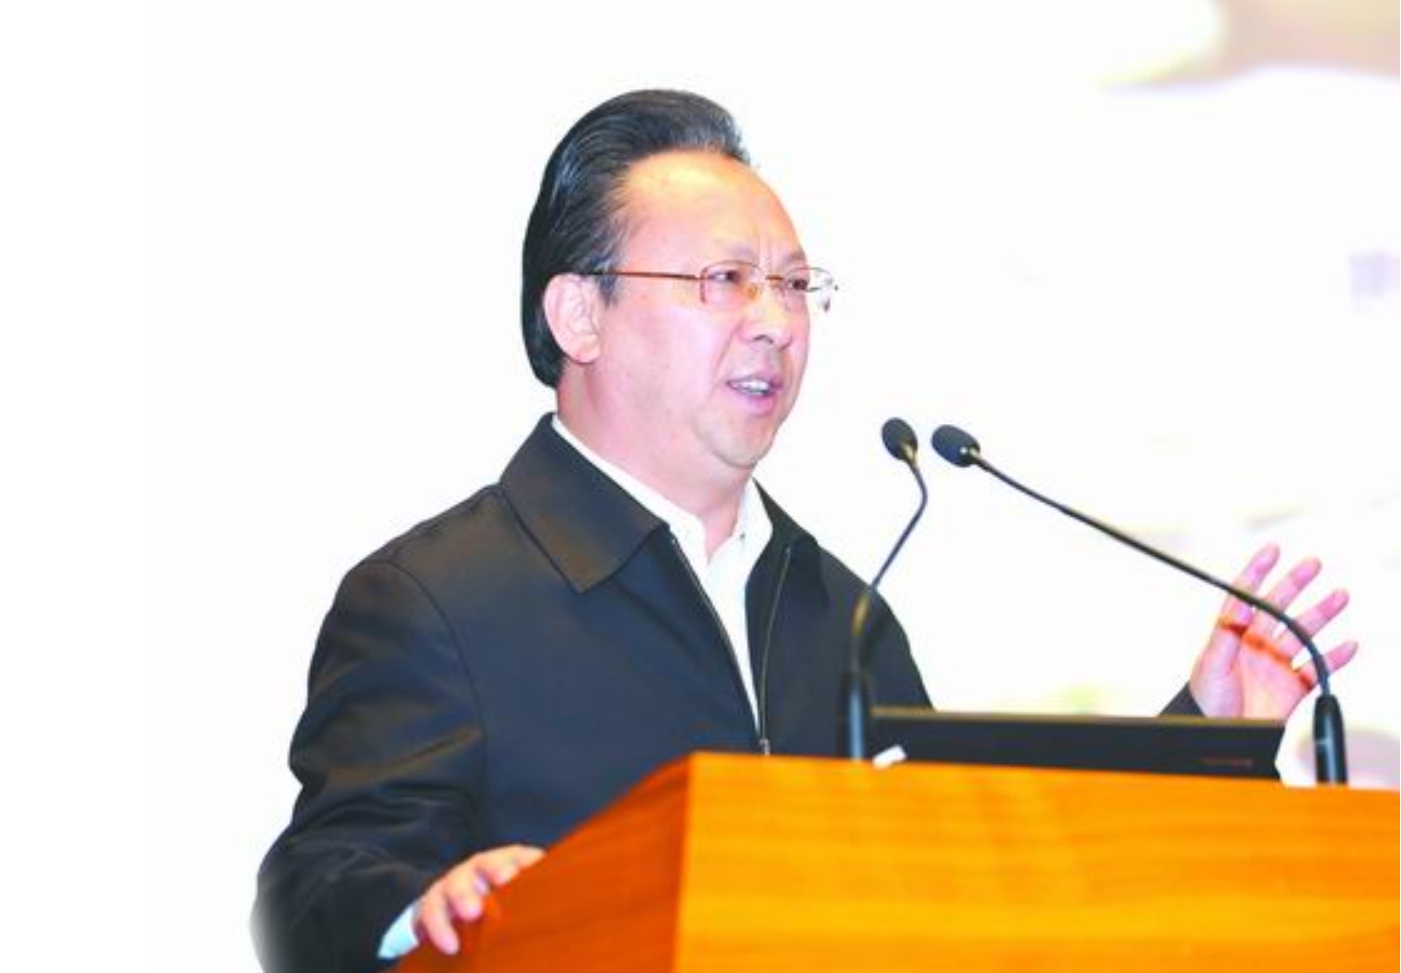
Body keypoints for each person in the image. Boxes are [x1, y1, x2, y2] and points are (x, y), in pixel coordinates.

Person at [252, 89, 1358, 973]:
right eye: (725, 280)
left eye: (792, 284)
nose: (775, 321)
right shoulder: (439, 597)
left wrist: (1207, 739)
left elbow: (987, 882)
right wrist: (423, 910)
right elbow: (319, 882)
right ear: (579, 314)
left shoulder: (838, 609)